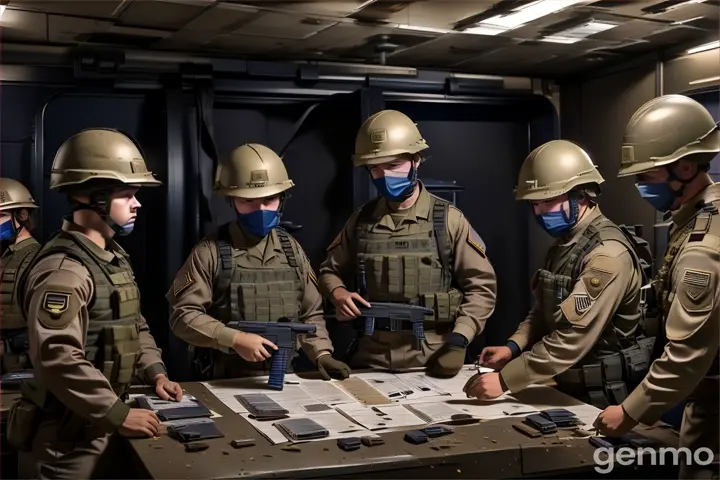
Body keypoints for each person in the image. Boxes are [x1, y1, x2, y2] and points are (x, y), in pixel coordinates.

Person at [13, 128, 182, 480]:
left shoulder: (111, 257)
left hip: (101, 422)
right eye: (127, 195)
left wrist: (155, 371)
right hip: (67, 440)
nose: (137, 203)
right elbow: (57, 357)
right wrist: (118, 414)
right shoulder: (64, 271)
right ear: (93, 198)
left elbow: (134, 324)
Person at [465, 140, 653, 407]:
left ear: (581, 196)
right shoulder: (566, 244)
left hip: (604, 398)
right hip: (567, 387)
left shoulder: (606, 255)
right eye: (534, 203)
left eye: (548, 201)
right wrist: (513, 347)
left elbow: (571, 337)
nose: (539, 212)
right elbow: (546, 311)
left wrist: (506, 380)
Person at [594, 94, 719, 479]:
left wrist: (630, 412)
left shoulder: (705, 243)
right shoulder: (694, 219)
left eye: (645, 177)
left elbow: (688, 350)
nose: (639, 187)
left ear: (684, 167)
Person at [319, 110, 497, 377]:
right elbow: (329, 271)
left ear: (416, 161)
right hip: (370, 357)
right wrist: (339, 294)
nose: (383, 175)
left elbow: (482, 289)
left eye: (392, 166)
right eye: (375, 168)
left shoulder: (448, 220)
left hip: (433, 357)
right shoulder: (360, 221)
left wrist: (459, 341)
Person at [167, 143, 350, 381]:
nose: (261, 209)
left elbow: (310, 314)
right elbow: (183, 316)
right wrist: (234, 339)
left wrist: (321, 354)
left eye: (270, 200)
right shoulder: (210, 251)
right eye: (248, 201)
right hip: (225, 378)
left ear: (282, 199)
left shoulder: (291, 250)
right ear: (231, 200)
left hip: (285, 375)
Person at [0, 178, 41, 374]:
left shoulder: (37, 258)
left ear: (22, 214)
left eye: (0, 215)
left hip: (20, 364)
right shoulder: (8, 255)